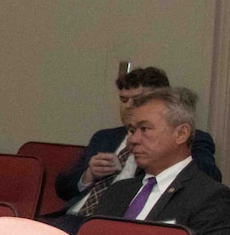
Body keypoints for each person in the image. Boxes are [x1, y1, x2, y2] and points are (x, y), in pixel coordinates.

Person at [51, 86, 230, 235]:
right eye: (131, 130)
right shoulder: (119, 190)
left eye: (145, 129)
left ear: (181, 134)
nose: (133, 140)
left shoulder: (210, 196)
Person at [55, 66, 220, 203]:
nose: (128, 106)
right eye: (123, 99)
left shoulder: (191, 138)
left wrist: (156, 157)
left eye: (138, 99)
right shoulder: (104, 137)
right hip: (76, 214)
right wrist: (88, 174)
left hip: (124, 219)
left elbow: (209, 179)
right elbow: (62, 188)